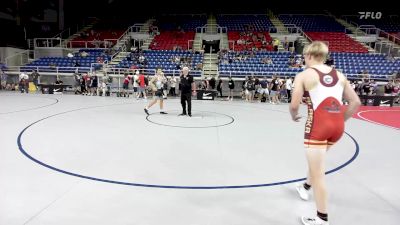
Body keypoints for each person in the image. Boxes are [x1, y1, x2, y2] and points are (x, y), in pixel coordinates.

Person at [289, 41, 361, 225]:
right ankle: (305, 186)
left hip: (318, 127)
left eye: (304, 56)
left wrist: (294, 115)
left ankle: (322, 218)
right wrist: (339, 121)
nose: (303, 59)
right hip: (337, 127)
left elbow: (294, 105)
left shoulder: (304, 75)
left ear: (310, 55)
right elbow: (355, 102)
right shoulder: (339, 74)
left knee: (319, 172)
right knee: (317, 163)